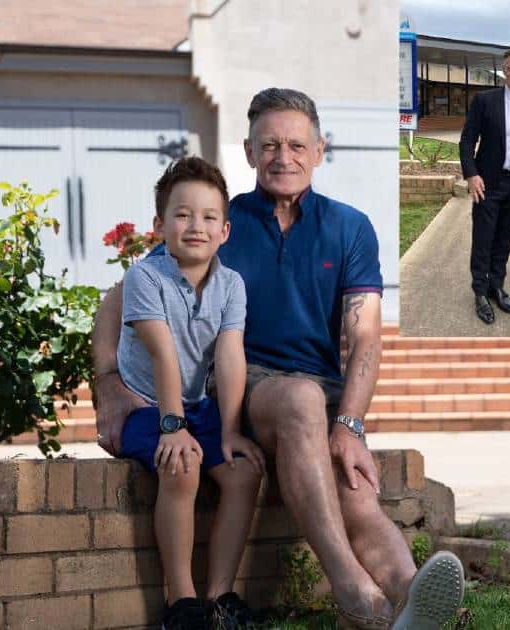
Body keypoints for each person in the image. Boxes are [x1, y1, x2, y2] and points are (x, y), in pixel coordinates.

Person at [93, 88, 465, 630]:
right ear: (248, 151)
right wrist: (110, 388)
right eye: (269, 144)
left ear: (320, 150)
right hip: (247, 386)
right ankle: (354, 593)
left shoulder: (349, 226)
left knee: (356, 495)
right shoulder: (221, 223)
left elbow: (365, 337)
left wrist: (350, 425)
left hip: (322, 394)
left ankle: (411, 602)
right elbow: (122, 295)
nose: (282, 156)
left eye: (296, 144)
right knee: (299, 398)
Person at [114, 157, 265, 629]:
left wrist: (231, 430)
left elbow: (230, 355)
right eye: (182, 215)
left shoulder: (231, 284)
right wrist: (173, 426)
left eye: (208, 217)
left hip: (198, 406)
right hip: (147, 407)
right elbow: (162, 356)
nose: (195, 226)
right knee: (182, 464)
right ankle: (181, 602)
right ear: (160, 225)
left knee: (241, 473)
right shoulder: (145, 277)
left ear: (224, 230)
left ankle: (220, 595)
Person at [459, 48, 510, 324]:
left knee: (504, 241)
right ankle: (479, 292)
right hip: (488, 183)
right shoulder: (485, 100)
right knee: (483, 240)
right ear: (503, 71)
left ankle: (496, 285)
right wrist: (471, 174)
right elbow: (467, 140)